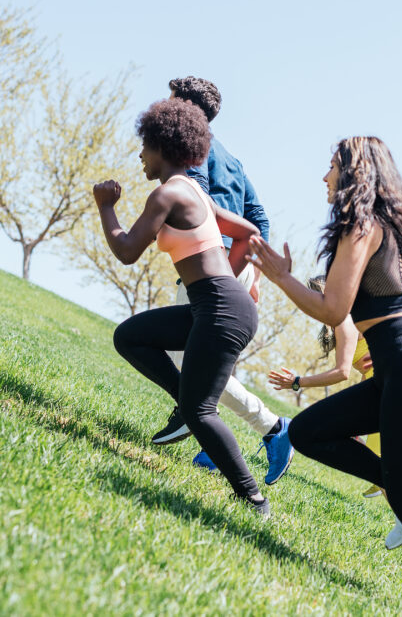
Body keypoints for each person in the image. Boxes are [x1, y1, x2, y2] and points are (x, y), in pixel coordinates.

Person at [249, 136, 402, 616]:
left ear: (352, 173)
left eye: (330, 167)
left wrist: (282, 277)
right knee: (307, 430)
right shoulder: (391, 229)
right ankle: (397, 482)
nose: (324, 177)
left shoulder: (363, 225)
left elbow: (334, 309)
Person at [95, 98, 269, 515]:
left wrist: (106, 207)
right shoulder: (195, 191)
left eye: (144, 146)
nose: (140, 155)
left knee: (200, 410)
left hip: (220, 309)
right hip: (216, 305)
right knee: (131, 337)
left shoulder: (169, 194)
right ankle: (185, 399)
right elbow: (248, 232)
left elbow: (126, 250)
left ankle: (253, 498)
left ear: (162, 146)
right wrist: (229, 278)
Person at [149, 76, 293, 486]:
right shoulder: (231, 156)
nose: (165, 104)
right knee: (208, 365)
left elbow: (199, 202)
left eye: (171, 99)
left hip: (212, 264)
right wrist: (253, 272)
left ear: (185, 107)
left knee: (186, 359)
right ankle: (209, 441)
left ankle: (270, 428)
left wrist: (224, 274)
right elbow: (258, 219)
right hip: (235, 260)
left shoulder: (195, 150)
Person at [266, 277, 402, 548]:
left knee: (380, 459)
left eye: (314, 297)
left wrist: (298, 382)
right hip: (380, 382)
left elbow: (341, 372)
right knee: (377, 457)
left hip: (387, 383)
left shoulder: (343, 319)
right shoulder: (351, 319)